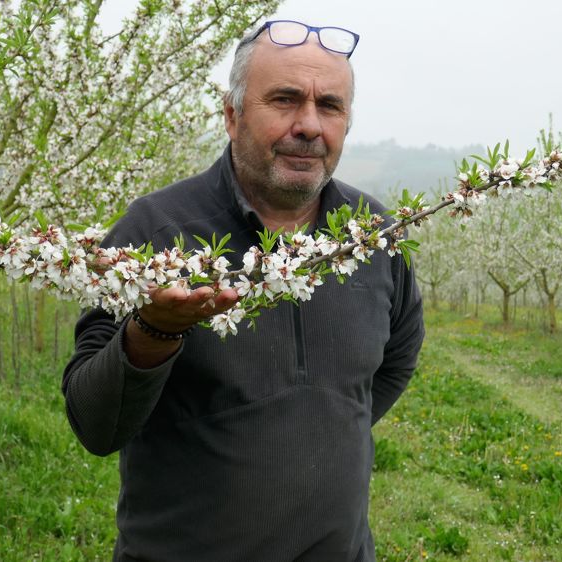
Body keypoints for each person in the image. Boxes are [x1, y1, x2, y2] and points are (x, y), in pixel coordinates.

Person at [63, 20, 424, 562]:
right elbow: (94, 423)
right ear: (231, 116)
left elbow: (395, 360)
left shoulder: (371, 236)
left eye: (329, 106)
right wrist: (155, 332)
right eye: (284, 100)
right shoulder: (157, 232)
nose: (309, 125)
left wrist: (316, 423)